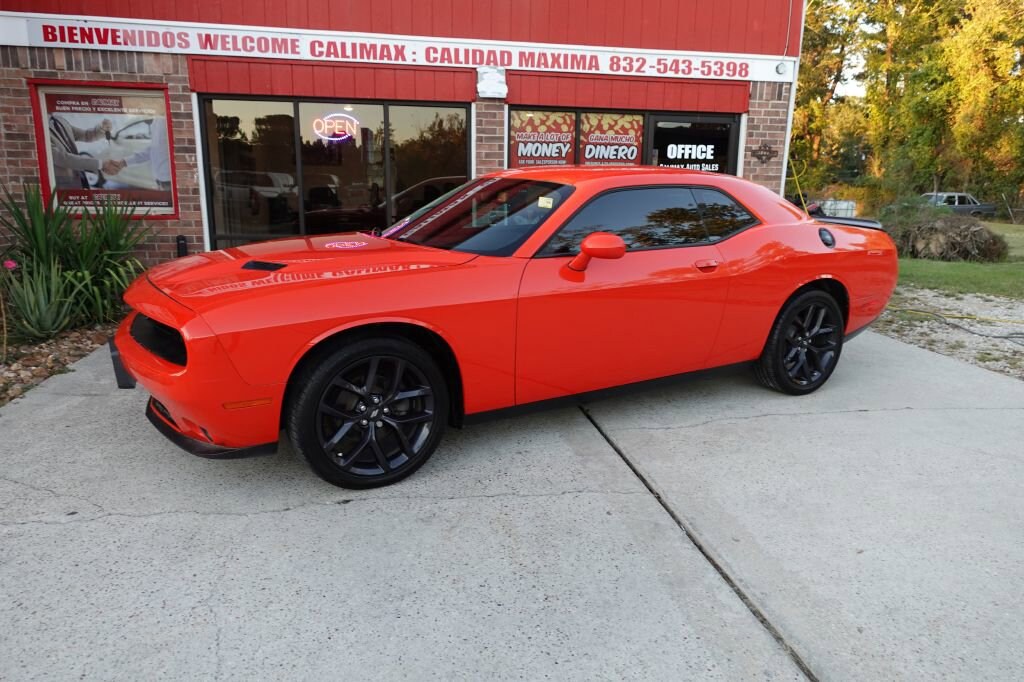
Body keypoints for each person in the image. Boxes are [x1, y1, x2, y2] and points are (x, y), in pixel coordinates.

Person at [48, 115, 121, 189]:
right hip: (62, 184)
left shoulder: (58, 119)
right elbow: (64, 159)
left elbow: (85, 135)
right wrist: (101, 164)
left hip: (79, 178)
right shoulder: (42, 132)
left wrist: (101, 129)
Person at [105, 117, 172, 190]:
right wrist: (124, 162)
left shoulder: (165, 120)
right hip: (161, 178)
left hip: (168, 179)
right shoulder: (158, 120)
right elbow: (154, 149)